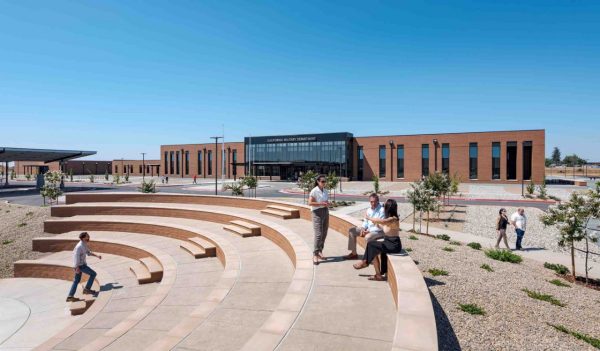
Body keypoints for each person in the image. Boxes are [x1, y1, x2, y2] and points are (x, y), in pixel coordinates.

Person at [353, 199, 402, 281]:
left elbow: (383, 221)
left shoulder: (393, 218)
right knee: (372, 246)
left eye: (384, 205)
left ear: (388, 207)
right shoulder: (389, 219)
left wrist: (369, 218)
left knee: (371, 244)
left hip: (393, 244)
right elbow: (384, 227)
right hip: (388, 242)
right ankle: (377, 274)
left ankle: (365, 262)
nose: (383, 206)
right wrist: (377, 225)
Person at [344, 193, 385, 259]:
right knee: (352, 230)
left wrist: (368, 231)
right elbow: (365, 221)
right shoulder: (369, 210)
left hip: (378, 231)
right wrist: (363, 228)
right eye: (371, 202)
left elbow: (381, 226)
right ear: (369, 202)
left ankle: (367, 258)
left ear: (378, 201)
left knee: (368, 237)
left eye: (375, 202)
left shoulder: (382, 210)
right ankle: (354, 254)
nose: (373, 203)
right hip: (368, 230)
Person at [66, 232, 102, 302]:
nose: (88, 237)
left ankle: (70, 296)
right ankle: (87, 289)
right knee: (93, 274)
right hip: (80, 266)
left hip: (80, 265)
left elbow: (88, 253)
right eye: (87, 236)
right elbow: (76, 257)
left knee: (76, 281)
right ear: (83, 238)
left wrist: (97, 256)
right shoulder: (79, 246)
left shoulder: (84, 244)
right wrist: (77, 268)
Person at [308, 174, 329, 265]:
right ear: (318, 182)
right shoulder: (314, 191)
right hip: (316, 213)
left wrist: (327, 203)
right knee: (318, 234)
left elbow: (325, 202)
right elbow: (310, 203)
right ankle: (315, 254)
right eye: (322, 181)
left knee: (324, 233)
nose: (324, 183)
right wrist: (321, 203)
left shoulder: (325, 191)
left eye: (325, 181)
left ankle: (320, 251)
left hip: (325, 211)